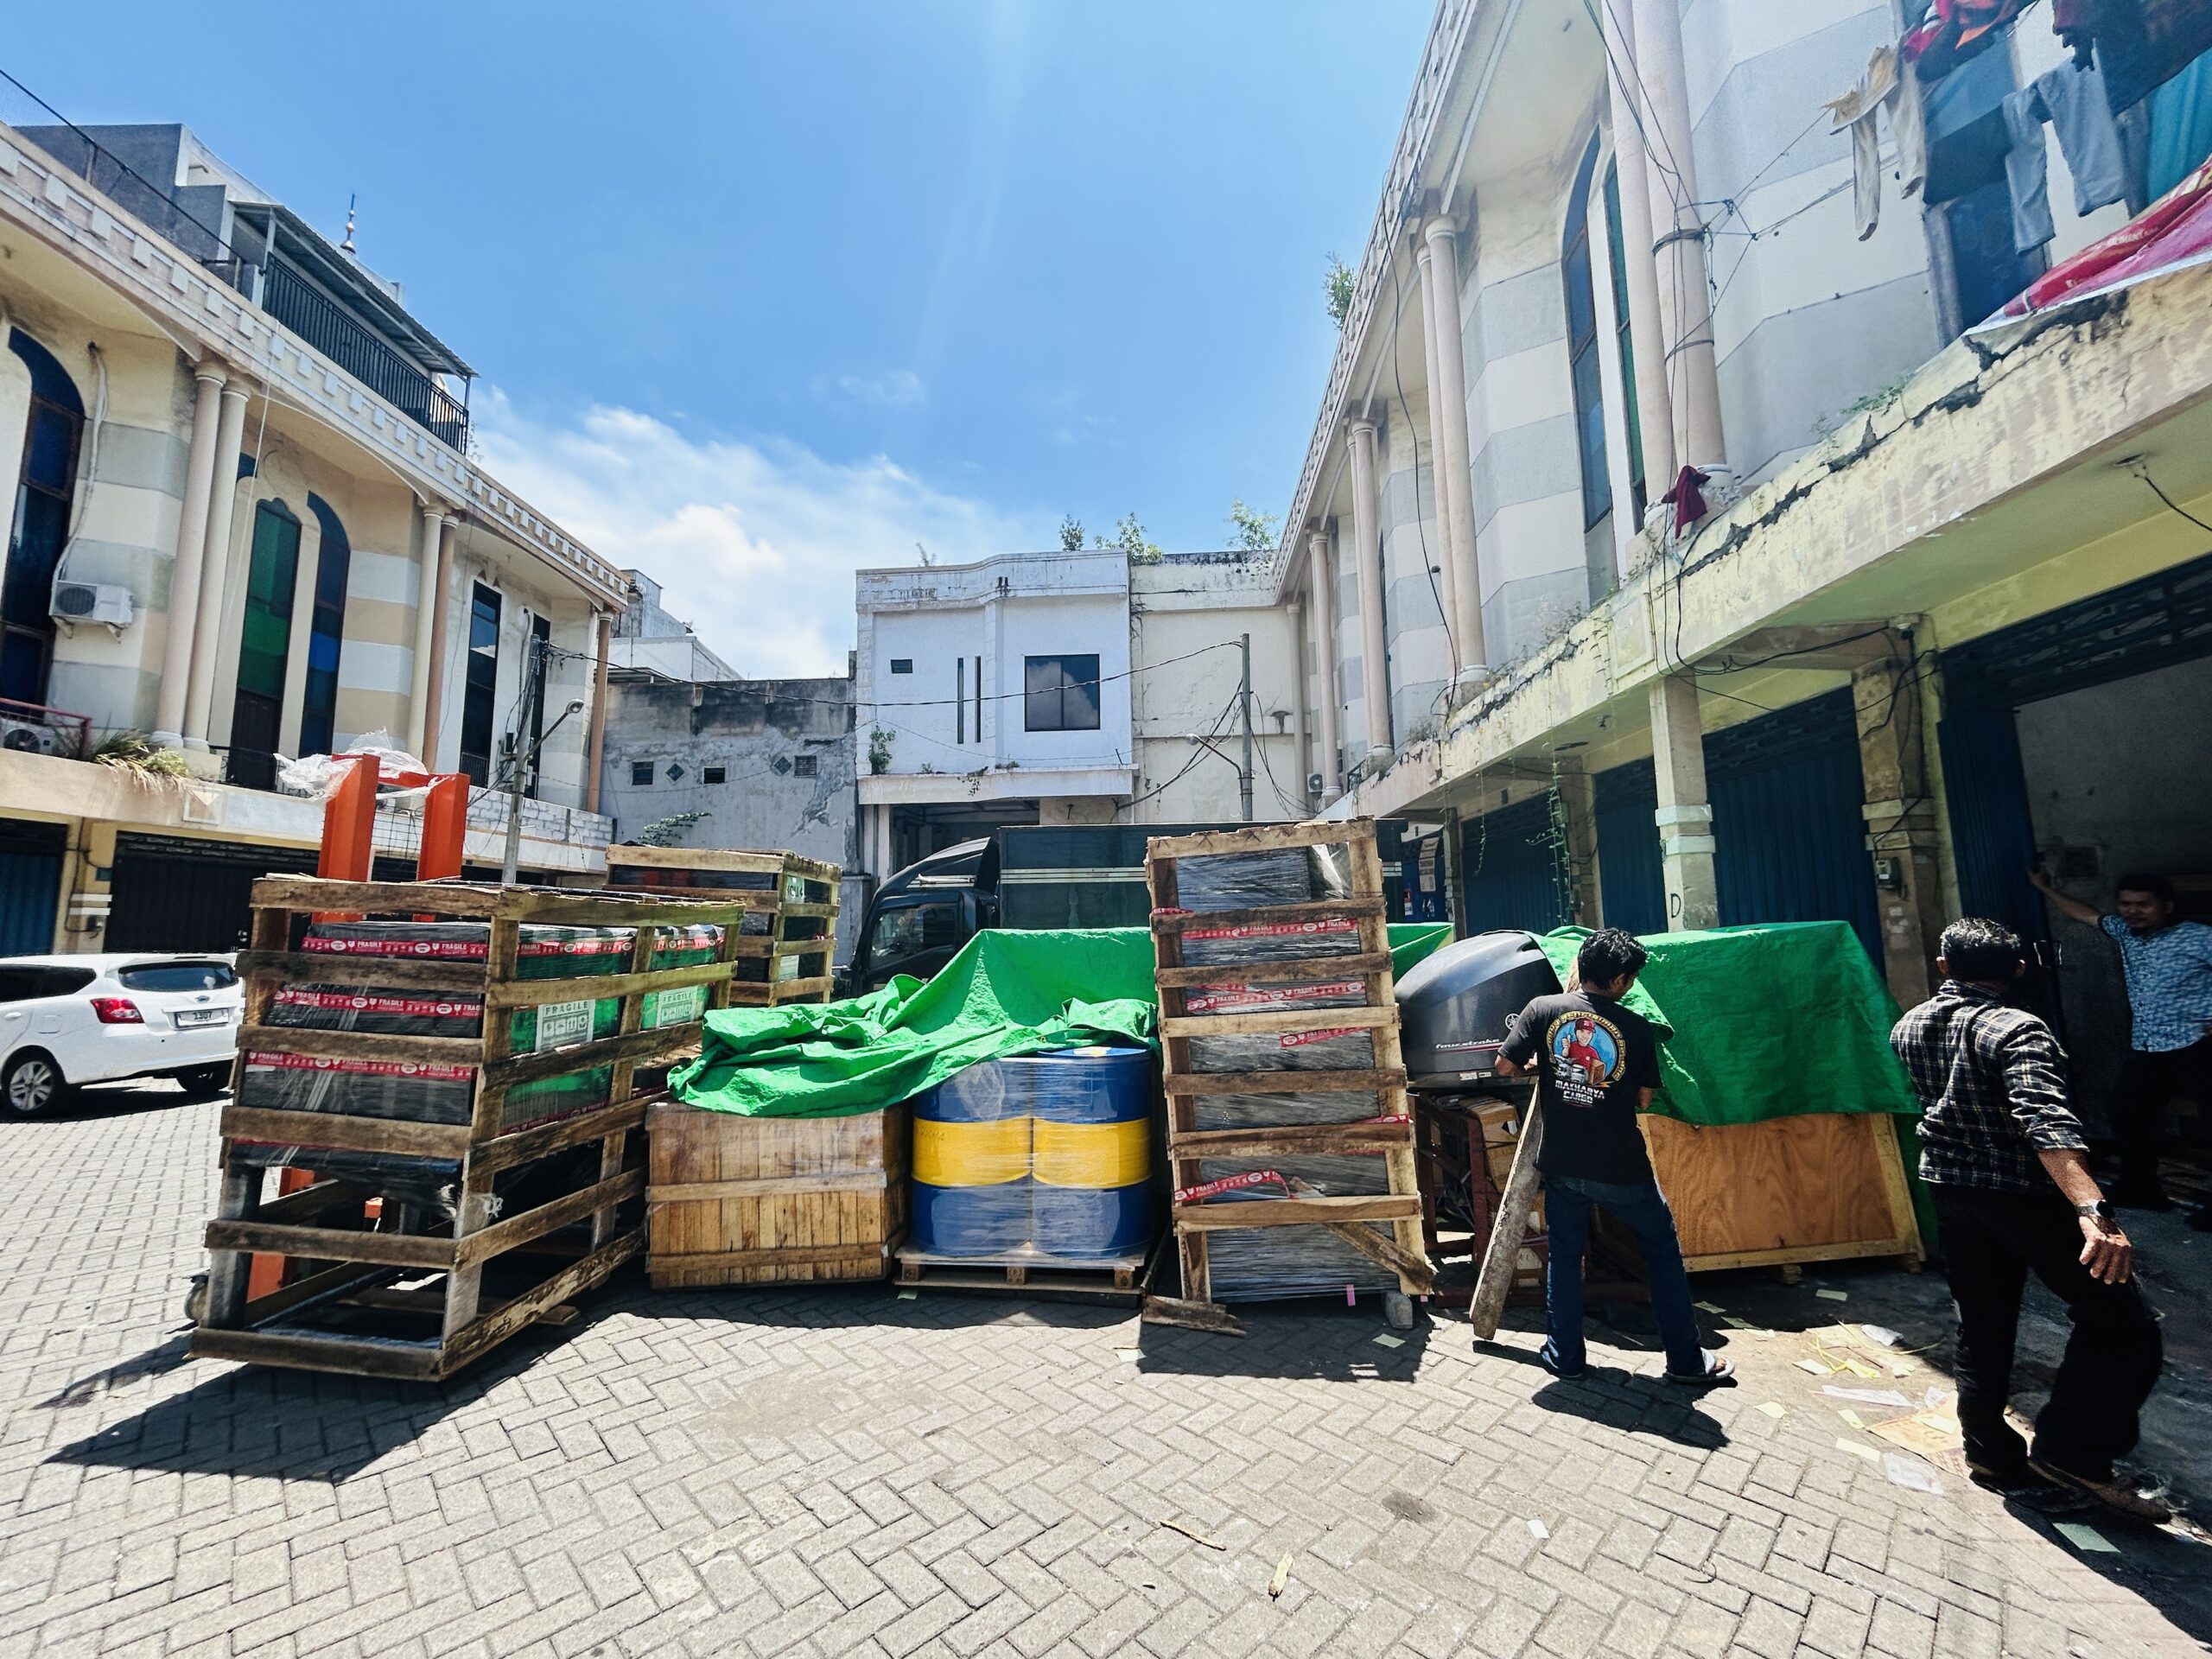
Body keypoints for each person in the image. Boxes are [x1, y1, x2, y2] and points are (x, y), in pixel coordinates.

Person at [1891, 916, 2166, 1522]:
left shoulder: (1909, 1023)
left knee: (1982, 1321)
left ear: (1944, 967)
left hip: (1950, 1189)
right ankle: (2076, 1456)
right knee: (2124, 1325)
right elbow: (2047, 1123)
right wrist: (2095, 1211)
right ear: (2019, 968)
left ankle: (1989, 1452)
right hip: (2020, 1194)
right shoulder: (2020, 1029)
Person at [1493, 927, 1730, 1386]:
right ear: (1620, 980)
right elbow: (1643, 1100)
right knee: (1661, 1251)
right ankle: (1685, 1362)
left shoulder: (1543, 1009)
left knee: (1564, 1257)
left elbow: (1504, 1066)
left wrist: (1545, 1065)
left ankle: (1565, 1357)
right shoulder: (1637, 1030)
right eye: (1633, 977)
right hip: (1622, 1168)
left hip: (1562, 1163)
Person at [2031, 868, 2212, 1224]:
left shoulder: (2198, 937)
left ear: (2167, 906)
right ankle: (2141, 1189)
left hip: (2198, 1044)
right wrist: (2045, 889)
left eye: (2143, 905)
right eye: (2126, 904)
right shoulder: (2125, 933)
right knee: (2126, 1113)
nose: (2133, 911)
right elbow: (2085, 914)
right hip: (2149, 1046)